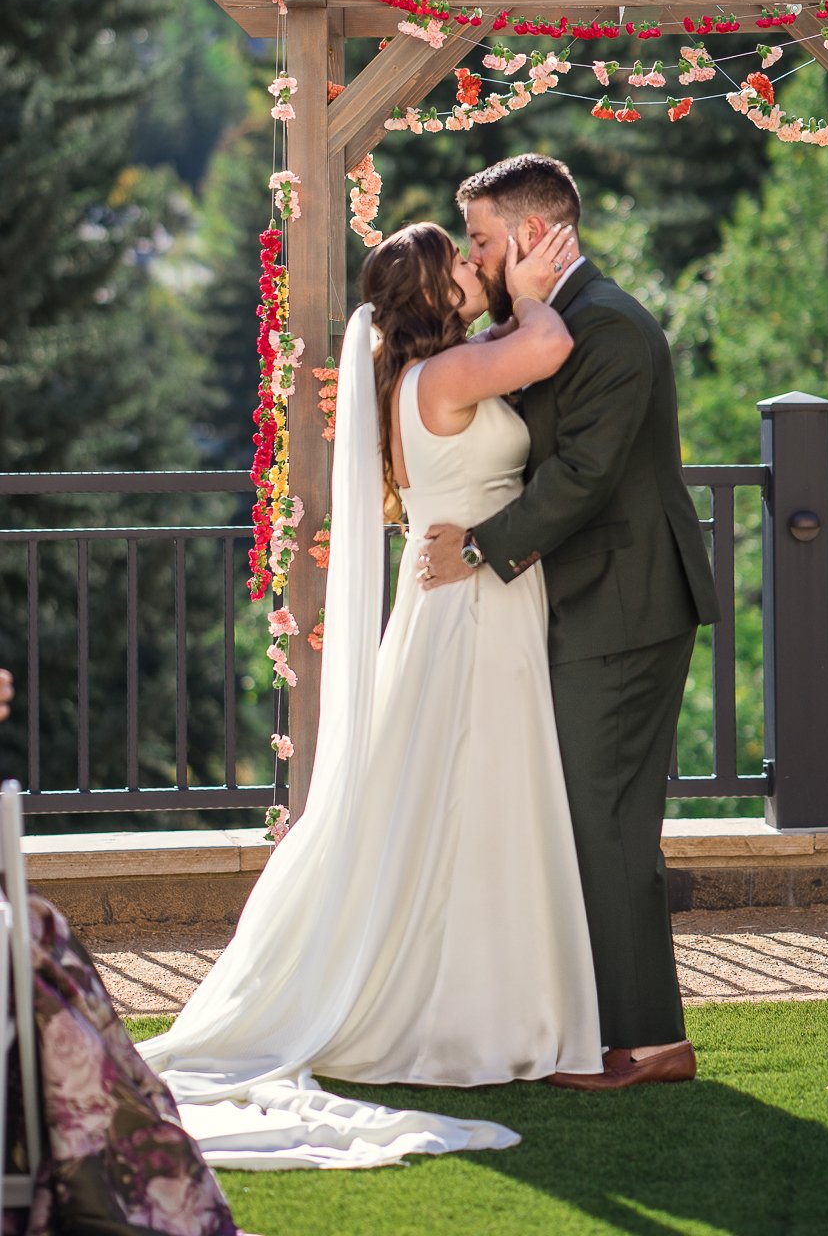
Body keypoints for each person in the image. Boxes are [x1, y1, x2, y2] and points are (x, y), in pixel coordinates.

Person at [137, 220, 602, 1168]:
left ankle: (486, 1000)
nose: (474, 266)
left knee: (459, 796)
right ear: (432, 294)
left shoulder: (430, 371)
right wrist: (529, 290)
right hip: (470, 605)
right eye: (460, 263)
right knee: (473, 792)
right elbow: (549, 345)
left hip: (466, 594)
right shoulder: (445, 375)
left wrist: (504, 306)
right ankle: (466, 1017)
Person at [420, 154, 720, 1091]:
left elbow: (583, 476)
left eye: (479, 239)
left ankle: (648, 1041)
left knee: (606, 823)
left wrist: (476, 547)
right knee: (583, 818)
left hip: (626, 605)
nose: (472, 255)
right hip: (582, 602)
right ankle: (590, 1025)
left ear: (529, 233)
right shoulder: (548, 322)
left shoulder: (611, 327)